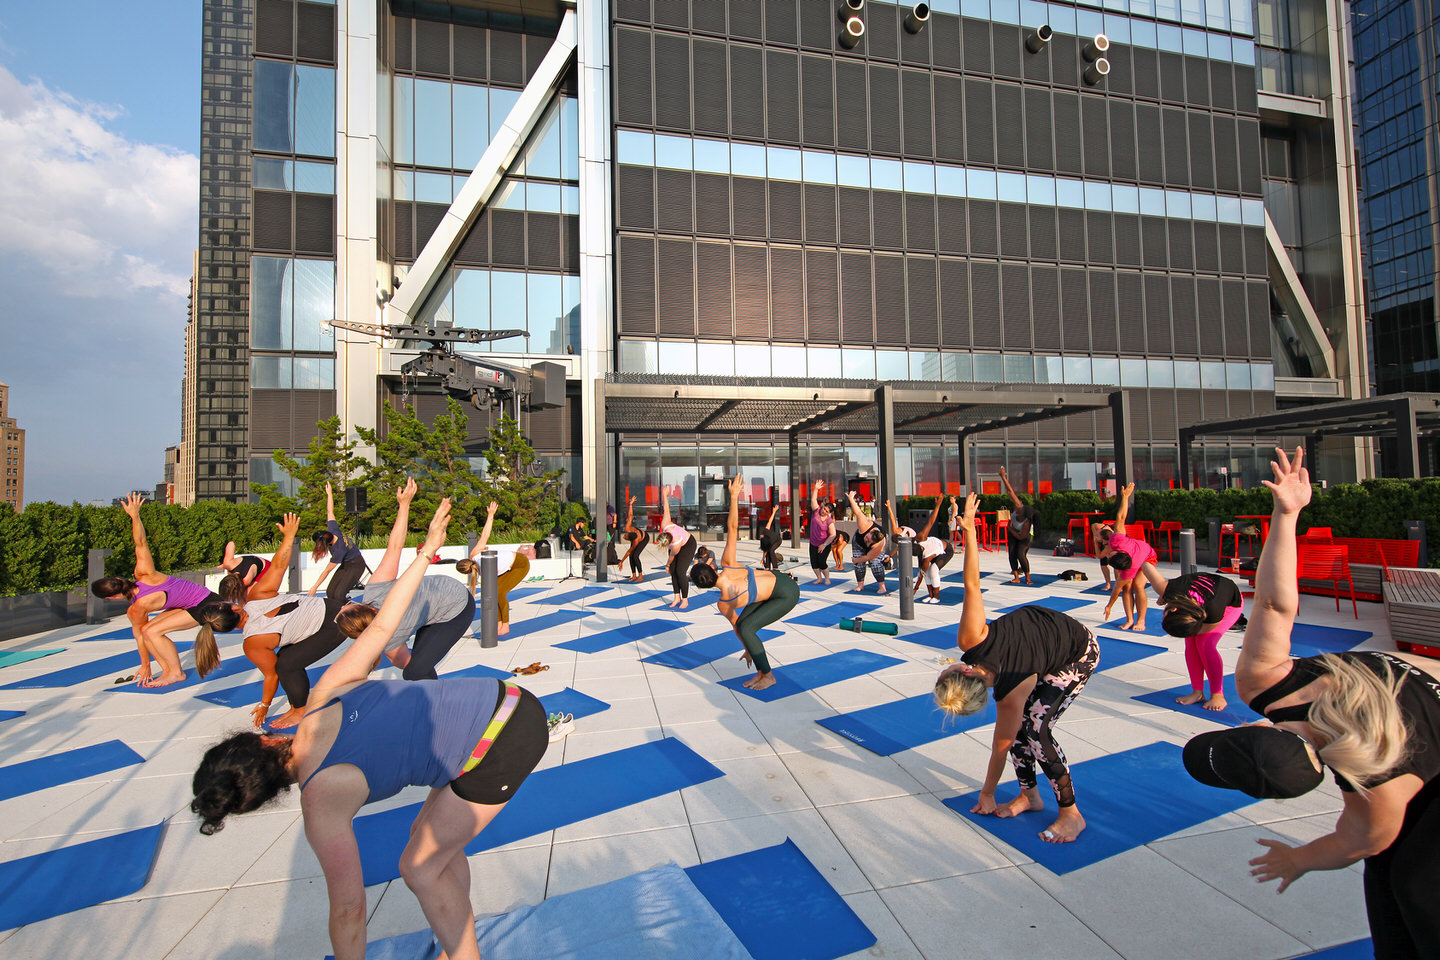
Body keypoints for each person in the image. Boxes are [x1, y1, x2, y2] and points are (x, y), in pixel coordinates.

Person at [190, 497, 548, 960]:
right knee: (430, 842)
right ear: (265, 740)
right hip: (502, 701)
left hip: (502, 737)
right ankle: (457, 942)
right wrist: (427, 552)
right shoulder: (321, 700)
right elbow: (380, 630)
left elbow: (347, 910)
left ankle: (463, 955)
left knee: (419, 868)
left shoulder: (319, 806)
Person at [1179, 448, 1440, 960]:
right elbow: (1277, 603)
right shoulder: (1267, 685)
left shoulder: (1377, 792)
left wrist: (1298, 861)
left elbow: (1357, 843)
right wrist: (1287, 513)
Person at [934, 492, 1099, 844]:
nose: (948, 665)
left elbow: (971, 583)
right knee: (1021, 729)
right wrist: (969, 530)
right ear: (963, 674)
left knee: (1037, 728)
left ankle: (1072, 814)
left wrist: (987, 793)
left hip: (1078, 649)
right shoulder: (975, 646)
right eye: (945, 672)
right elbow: (972, 584)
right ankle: (1030, 796)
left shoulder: (983, 654)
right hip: (1045, 640)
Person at [195, 513, 351, 729]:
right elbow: (278, 565)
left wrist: (264, 705)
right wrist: (289, 536)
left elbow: (271, 676)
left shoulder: (252, 643)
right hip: (330, 606)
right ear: (233, 606)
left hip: (335, 623)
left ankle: (300, 710)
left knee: (286, 665)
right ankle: (298, 704)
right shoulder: (256, 596)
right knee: (286, 656)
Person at [333, 479, 474, 680]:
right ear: (366, 609)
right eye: (345, 607)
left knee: (415, 671)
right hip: (432, 605)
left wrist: (404, 505)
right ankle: (433, 700)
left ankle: (438, 701)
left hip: (455, 605)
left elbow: (395, 547)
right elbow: (395, 547)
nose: (341, 607)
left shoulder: (376, 592)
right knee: (417, 668)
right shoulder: (388, 638)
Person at [90, 493, 223, 687]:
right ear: (118, 579)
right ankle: (169, 671)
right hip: (201, 600)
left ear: (110, 597)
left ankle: (176, 672)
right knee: (148, 630)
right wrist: (135, 516)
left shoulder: (137, 608)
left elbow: (140, 638)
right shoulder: (145, 574)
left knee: (151, 632)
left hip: (207, 605)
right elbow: (140, 543)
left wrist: (145, 666)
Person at [690, 475, 800, 691]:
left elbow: (739, 629)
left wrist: (748, 645)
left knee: (747, 628)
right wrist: (733, 496)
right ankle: (762, 671)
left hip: (787, 593)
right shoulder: (728, 564)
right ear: (712, 567)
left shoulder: (724, 603)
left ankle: (768, 676)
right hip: (780, 583)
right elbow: (732, 528)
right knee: (745, 628)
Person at [1136, 560, 1244, 711]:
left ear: (1173, 610)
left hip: (1230, 603)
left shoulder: (1214, 611)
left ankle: (1218, 695)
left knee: (1206, 644)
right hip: (1198, 597)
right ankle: (1197, 692)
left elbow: (1207, 626)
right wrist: (1164, 592)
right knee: (1191, 643)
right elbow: (1146, 564)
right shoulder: (1165, 589)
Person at [455, 500, 532, 638]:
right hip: (508, 565)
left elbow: (486, 534)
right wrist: (490, 514)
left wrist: (491, 514)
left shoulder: (481, 564)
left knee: (499, 593)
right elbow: (485, 534)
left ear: (467, 572)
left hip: (520, 564)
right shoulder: (474, 554)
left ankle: (505, 625)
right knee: (492, 592)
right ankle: (497, 623)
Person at [1097, 484, 1156, 631]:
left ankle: (1141, 621)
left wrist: (1109, 605)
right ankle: (1130, 620)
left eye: (1109, 554)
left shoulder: (1131, 567)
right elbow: (1121, 517)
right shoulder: (1117, 539)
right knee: (1126, 588)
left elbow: (1116, 588)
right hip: (1133, 552)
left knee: (1138, 585)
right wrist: (1125, 497)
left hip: (1148, 557)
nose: (1109, 553)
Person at [883, 497, 954, 603]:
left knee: (933, 571)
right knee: (926, 573)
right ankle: (930, 595)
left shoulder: (921, 537)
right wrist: (915, 590)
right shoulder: (912, 545)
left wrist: (938, 505)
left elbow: (931, 521)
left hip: (946, 550)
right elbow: (921, 574)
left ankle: (937, 597)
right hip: (932, 552)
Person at [306, 482, 367, 601]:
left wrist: (315, 587)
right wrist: (329, 493)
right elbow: (330, 511)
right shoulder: (333, 530)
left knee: (339, 594)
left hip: (357, 565)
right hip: (346, 564)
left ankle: (350, 612)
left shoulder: (339, 549)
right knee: (330, 592)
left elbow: (327, 571)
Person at [656, 493, 697, 609]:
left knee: (680, 571)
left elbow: (672, 556)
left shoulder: (675, 543)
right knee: (673, 571)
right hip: (677, 544)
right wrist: (664, 495)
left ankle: (685, 600)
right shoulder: (665, 525)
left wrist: (667, 565)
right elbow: (666, 509)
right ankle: (676, 597)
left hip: (688, 544)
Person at [998, 467, 1039, 585]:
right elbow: (1010, 491)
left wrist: (1010, 528)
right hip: (1013, 534)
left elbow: (1021, 536)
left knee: (1020, 554)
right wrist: (1003, 477)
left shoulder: (1027, 522)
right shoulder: (1018, 507)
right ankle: (1016, 576)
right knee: (1012, 554)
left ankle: (1028, 578)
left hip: (1025, 537)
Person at [844, 490, 889, 595]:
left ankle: (882, 586)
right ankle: (860, 585)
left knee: (875, 563)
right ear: (870, 532)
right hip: (858, 541)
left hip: (875, 551)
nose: (867, 542)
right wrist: (851, 498)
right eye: (867, 539)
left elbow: (868, 557)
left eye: (869, 543)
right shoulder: (864, 525)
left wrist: (856, 559)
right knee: (859, 564)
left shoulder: (879, 545)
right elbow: (858, 512)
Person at [808, 480, 835, 585]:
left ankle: (827, 578)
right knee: (814, 562)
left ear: (829, 513)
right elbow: (813, 499)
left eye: (826, 511)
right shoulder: (816, 512)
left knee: (822, 561)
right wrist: (816, 489)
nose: (824, 511)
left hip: (824, 543)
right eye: (824, 509)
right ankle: (819, 578)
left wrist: (824, 545)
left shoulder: (829, 520)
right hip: (813, 542)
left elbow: (833, 534)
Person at [617, 495, 649, 582]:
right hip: (637, 536)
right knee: (631, 556)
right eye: (625, 536)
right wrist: (631, 504)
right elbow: (630, 515)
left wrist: (621, 561)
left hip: (644, 538)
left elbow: (628, 552)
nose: (624, 537)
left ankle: (641, 575)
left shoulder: (635, 541)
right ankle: (634, 575)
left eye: (625, 538)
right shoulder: (627, 528)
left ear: (630, 539)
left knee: (635, 555)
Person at [758, 505, 784, 571]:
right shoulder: (763, 541)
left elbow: (770, 520)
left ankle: (775, 567)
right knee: (769, 551)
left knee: (771, 550)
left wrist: (774, 511)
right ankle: (767, 567)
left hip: (777, 541)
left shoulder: (766, 530)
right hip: (771, 543)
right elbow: (765, 551)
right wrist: (762, 559)